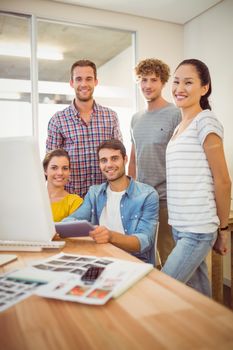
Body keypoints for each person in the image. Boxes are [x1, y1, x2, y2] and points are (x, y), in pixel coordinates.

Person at [162, 58, 231, 296]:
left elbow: (223, 180)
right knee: (199, 298)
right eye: (176, 81)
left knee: (163, 288)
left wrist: (223, 230)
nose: (179, 89)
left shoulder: (206, 121)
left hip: (198, 228)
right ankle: (212, 333)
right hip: (180, 226)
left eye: (188, 82)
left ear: (204, 88)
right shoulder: (178, 128)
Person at [63, 139, 159, 265]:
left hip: (133, 262)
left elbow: (144, 241)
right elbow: (73, 219)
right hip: (99, 259)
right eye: (104, 160)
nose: (109, 165)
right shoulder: (94, 193)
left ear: (125, 159)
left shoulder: (147, 195)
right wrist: (59, 227)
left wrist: (110, 236)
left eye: (114, 158)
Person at [128, 58, 181, 266]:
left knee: (170, 259)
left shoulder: (176, 114)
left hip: (166, 201)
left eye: (153, 80)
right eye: (143, 80)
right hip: (141, 200)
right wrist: (130, 193)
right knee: (144, 259)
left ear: (163, 82)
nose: (148, 85)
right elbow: (133, 159)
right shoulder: (135, 118)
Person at [46, 59, 122, 198]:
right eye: (78, 79)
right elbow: (51, 166)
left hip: (106, 198)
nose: (84, 84)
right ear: (71, 83)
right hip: (71, 200)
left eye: (89, 79)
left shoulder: (111, 117)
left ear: (95, 82)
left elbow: (119, 158)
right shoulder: (58, 120)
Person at [43, 149, 83, 222]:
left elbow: (76, 232)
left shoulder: (74, 202)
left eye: (65, 168)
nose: (60, 173)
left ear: (69, 171)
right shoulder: (33, 199)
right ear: (45, 170)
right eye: (54, 168)